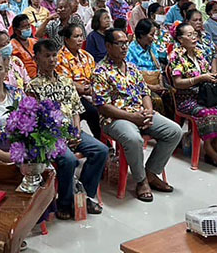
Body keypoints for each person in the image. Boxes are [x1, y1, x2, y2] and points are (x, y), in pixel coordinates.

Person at [93, 28, 181, 202]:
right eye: (119, 44)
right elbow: (103, 107)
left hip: (139, 113)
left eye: (126, 43)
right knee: (134, 139)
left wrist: (148, 111)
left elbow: (145, 92)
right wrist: (133, 117)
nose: (124, 47)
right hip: (115, 118)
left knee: (174, 131)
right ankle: (141, 181)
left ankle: (151, 173)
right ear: (108, 46)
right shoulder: (100, 71)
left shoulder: (132, 68)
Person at [28, 39, 107, 219]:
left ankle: (84, 195)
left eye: (54, 55)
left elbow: (76, 110)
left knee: (100, 150)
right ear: (36, 58)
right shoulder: (32, 86)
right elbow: (35, 121)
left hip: (71, 129)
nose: (51, 60)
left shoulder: (66, 81)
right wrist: (59, 137)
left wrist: (76, 131)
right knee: (69, 160)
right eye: (46, 56)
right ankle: (64, 203)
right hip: (50, 136)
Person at [169, 22, 217, 167]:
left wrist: (213, 76)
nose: (194, 37)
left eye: (194, 34)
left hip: (206, 95)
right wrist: (199, 79)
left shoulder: (199, 52)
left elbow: (208, 72)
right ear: (180, 39)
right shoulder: (175, 55)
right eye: (189, 35)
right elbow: (177, 83)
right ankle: (208, 147)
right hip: (187, 98)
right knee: (208, 113)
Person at [57, 23, 101, 139]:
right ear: (67, 39)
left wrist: (93, 88)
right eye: (76, 36)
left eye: (81, 36)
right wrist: (85, 89)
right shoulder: (60, 58)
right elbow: (66, 82)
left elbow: (96, 76)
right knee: (93, 111)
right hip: (73, 96)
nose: (80, 39)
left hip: (91, 92)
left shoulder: (87, 56)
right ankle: (101, 142)